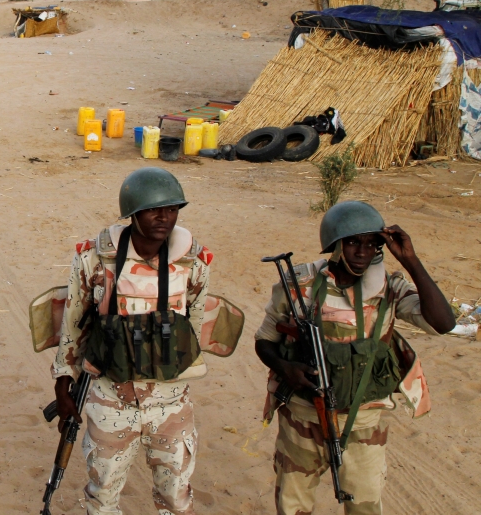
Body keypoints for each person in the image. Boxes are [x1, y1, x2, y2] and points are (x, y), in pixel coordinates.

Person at [255, 200, 455, 515]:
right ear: (334, 245)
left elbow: (443, 323)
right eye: (352, 243)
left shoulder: (389, 289)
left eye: (371, 244)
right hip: (303, 418)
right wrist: (285, 367)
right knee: (292, 506)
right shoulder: (300, 285)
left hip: (364, 424)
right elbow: (264, 341)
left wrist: (411, 260)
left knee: (364, 507)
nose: (362, 252)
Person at [51, 167, 215, 515]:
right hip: (110, 398)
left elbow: (193, 328)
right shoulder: (95, 260)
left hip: (171, 400)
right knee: (102, 496)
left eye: (171, 209)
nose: (164, 217)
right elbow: (73, 324)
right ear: (132, 214)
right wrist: (63, 385)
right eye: (153, 210)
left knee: (176, 499)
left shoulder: (194, 264)